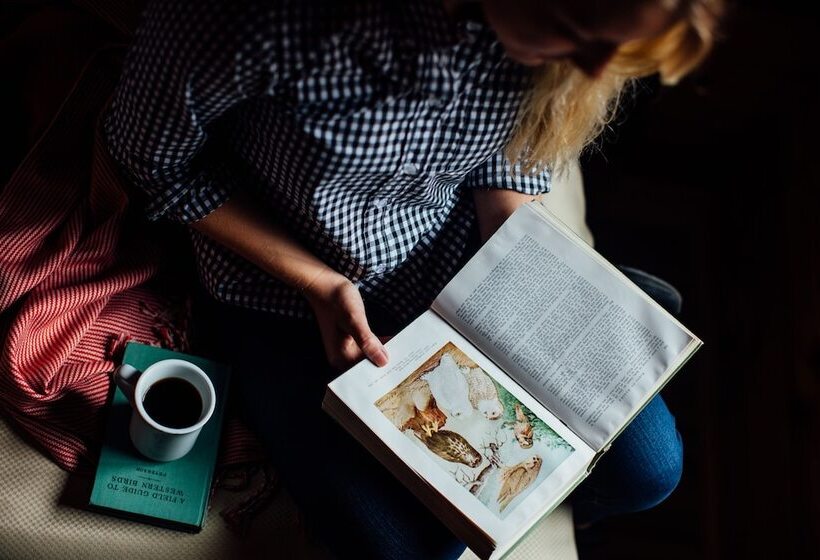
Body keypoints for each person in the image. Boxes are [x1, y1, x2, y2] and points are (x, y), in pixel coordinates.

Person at [105, 0, 723, 557]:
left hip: (454, 251)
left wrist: (517, 254)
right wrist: (321, 284)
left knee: (651, 473)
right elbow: (148, 157)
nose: (593, 70)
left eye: (616, 48)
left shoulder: (551, 52)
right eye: (574, 27)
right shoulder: (261, 21)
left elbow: (510, 156)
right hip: (285, 293)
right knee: (408, 553)